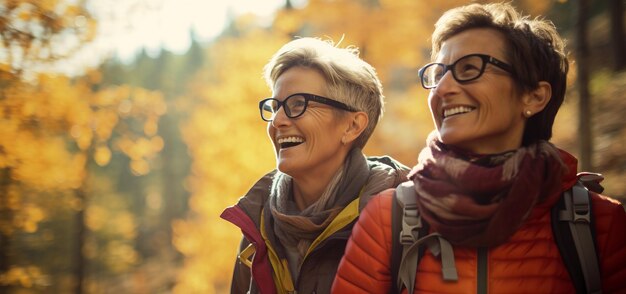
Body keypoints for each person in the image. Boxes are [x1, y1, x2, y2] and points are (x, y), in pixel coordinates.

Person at [332, 3, 626, 293]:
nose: (443, 89)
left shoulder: (596, 224)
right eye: (438, 75)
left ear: (534, 97)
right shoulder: (389, 218)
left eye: (469, 68)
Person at [220, 37, 409, 294]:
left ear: (352, 126)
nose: (277, 121)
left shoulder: (402, 220)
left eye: (298, 104)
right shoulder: (257, 226)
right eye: (275, 107)